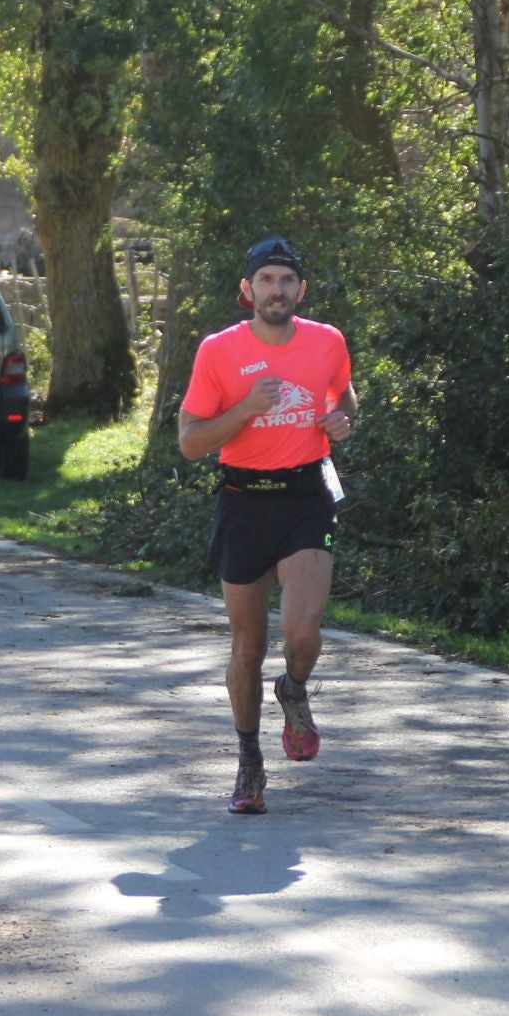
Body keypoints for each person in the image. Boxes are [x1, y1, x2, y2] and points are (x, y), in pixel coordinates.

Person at [178, 236, 356, 816]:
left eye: (286, 281)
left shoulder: (327, 341)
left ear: (300, 291)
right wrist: (246, 409)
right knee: (248, 647)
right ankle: (249, 760)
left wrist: (342, 421)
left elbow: (346, 399)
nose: (276, 290)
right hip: (244, 501)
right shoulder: (218, 351)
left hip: (306, 496)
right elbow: (189, 442)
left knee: (302, 635)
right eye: (266, 280)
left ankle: (295, 688)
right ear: (247, 290)